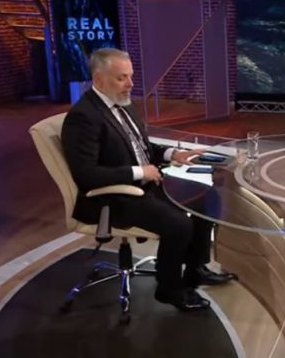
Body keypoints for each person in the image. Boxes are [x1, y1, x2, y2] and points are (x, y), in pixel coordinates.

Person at [61, 48, 235, 312]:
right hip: (111, 196)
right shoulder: (83, 117)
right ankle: (169, 289)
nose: (130, 84)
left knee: (207, 198)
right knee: (178, 224)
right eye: (122, 78)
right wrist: (141, 172)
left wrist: (172, 153)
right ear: (99, 79)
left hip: (144, 185)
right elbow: (86, 174)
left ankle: (195, 269)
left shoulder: (122, 104)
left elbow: (140, 147)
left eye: (130, 76)